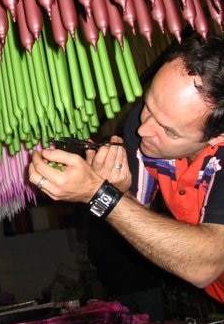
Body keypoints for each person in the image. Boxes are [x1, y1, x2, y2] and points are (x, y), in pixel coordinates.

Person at [29, 34, 224, 304]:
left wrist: (98, 194)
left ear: (217, 137)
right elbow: (140, 223)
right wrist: (119, 192)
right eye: (149, 105)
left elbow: (204, 265)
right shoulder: (142, 125)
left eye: (169, 130)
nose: (144, 129)